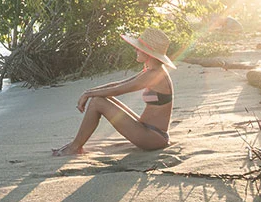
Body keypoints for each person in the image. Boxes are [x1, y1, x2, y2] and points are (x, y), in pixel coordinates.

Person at [52, 27, 175, 156]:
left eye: (139, 48)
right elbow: (120, 83)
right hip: (147, 130)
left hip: (153, 137)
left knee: (97, 102)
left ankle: (75, 147)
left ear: (148, 52)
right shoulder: (152, 70)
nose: (135, 49)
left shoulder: (154, 74)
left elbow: (118, 90)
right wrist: (89, 91)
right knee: (101, 98)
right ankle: (75, 145)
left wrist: (88, 94)